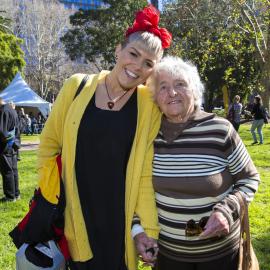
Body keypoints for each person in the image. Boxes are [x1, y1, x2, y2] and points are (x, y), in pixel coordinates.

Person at [10, 5, 172, 270]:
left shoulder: (147, 106)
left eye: (148, 64)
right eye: (133, 53)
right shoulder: (77, 86)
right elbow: (49, 144)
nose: (137, 66)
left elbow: (144, 173)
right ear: (118, 50)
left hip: (118, 221)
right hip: (75, 217)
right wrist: (53, 193)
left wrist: (148, 229)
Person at [145, 56, 260, 270]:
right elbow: (136, 190)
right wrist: (139, 232)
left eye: (180, 84)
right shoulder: (149, 135)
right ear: (155, 97)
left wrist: (228, 210)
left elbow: (249, 178)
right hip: (169, 255)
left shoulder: (220, 130)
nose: (172, 93)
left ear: (195, 90)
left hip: (220, 253)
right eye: (163, 87)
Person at [0, 98, 20, 202]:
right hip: (14, 145)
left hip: (6, 145)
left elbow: (2, 132)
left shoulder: (4, 111)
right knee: (13, 170)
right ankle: (16, 194)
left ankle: (10, 196)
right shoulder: (12, 110)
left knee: (7, 170)